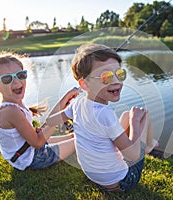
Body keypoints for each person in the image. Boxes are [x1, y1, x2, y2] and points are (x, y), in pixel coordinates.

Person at [46, 43, 158, 192]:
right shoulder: (104, 114)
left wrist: (67, 98)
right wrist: (135, 122)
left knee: (125, 114)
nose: (117, 81)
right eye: (107, 76)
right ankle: (148, 146)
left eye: (120, 73)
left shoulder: (77, 103)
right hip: (120, 183)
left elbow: (50, 121)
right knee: (142, 115)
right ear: (84, 84)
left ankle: (147, 143)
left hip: (94, 176)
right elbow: (132, 155)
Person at [0, 51, 80, 170]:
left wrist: (65, 99)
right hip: (31, 158)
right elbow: (38, 142)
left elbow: (44, 128)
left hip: (28, 149)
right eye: (7, 79)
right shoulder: (10, 111)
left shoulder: (16, 104)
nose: (16, 81)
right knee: (81, 140)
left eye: (20, 75)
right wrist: (61, 117)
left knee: (74, 136)